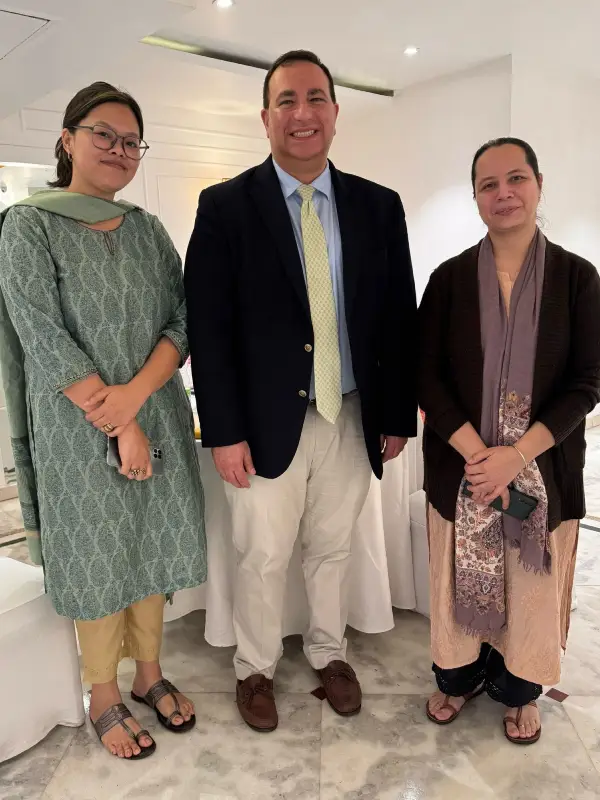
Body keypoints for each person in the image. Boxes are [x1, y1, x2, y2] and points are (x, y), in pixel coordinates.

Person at [185, 50, 416, 732]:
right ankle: (254, 668)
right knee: (262, 555)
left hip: (351, 413)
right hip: (261, 423)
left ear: (336, 113)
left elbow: (397, 318)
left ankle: (328, 652)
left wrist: (396, 414)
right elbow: (209, 327)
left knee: (333, 549)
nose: (302, 113)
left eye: (315, 98)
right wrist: (224, 430)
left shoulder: (379, 206)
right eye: (286, 100)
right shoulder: (225, 207)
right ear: (266, 117)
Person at [0, 82, 206, 760]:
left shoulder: (147, 230)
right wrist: (118, 421)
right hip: (76, 427)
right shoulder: (28, 225)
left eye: (131, 141)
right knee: (98, 552)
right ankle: (103, 693)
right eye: (103, 135)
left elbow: (183, 319)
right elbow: (40, 332)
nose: (119, 150)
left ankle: (149, 673)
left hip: (156, 411)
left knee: (150, 543)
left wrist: (137, 399)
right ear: (68, 140)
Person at [419, 137, 600, 744]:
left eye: (516, 179)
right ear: (475, 198)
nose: (504, 193)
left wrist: (516, 457)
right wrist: (480, 458)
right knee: (459, 580)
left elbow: (587, 381)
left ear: (539, 185)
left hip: (543, 472)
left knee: (530, 590)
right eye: (488, 184)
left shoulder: (577, 279)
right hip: (464, 471)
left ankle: (519, 693)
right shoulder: (448, 280)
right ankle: (459, 678)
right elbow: (426, 375)